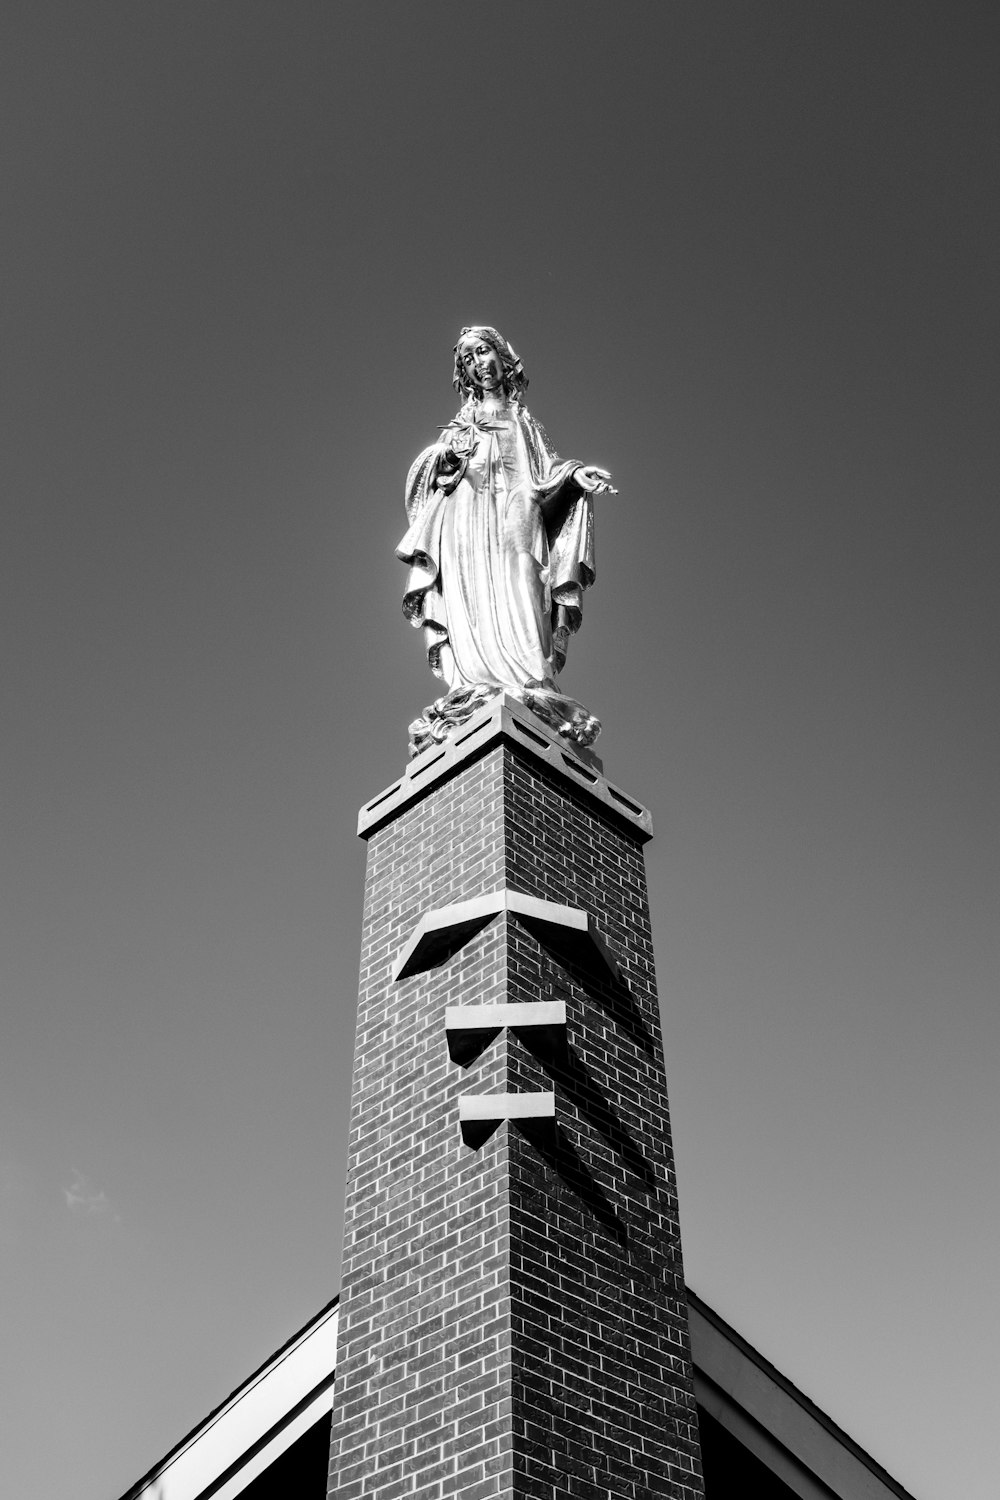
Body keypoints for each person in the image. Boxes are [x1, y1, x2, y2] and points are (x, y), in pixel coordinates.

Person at [397, 326, 614, 755]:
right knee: (472, 591)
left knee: (524, 577)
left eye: (484, 352)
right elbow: (426, 477)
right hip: (467, 515)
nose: (479, 363)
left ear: (502, 357)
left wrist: (574, 476)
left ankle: (532, 678)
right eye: (469, 359)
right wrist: (443, 457)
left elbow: (546, 472)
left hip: (518, 507)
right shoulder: (460, 425)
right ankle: (474, 682)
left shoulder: (522, 420)